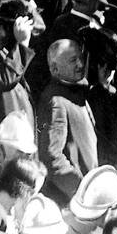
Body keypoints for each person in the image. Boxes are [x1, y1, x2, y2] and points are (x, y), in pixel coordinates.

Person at [35, 39, 98, 205]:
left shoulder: (76, 92)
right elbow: (51, 157)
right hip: (72, 201)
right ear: (55, 69)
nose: (80, 64)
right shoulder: (55, 101)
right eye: (72, 60)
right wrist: (81, 190)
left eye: (80, 58)